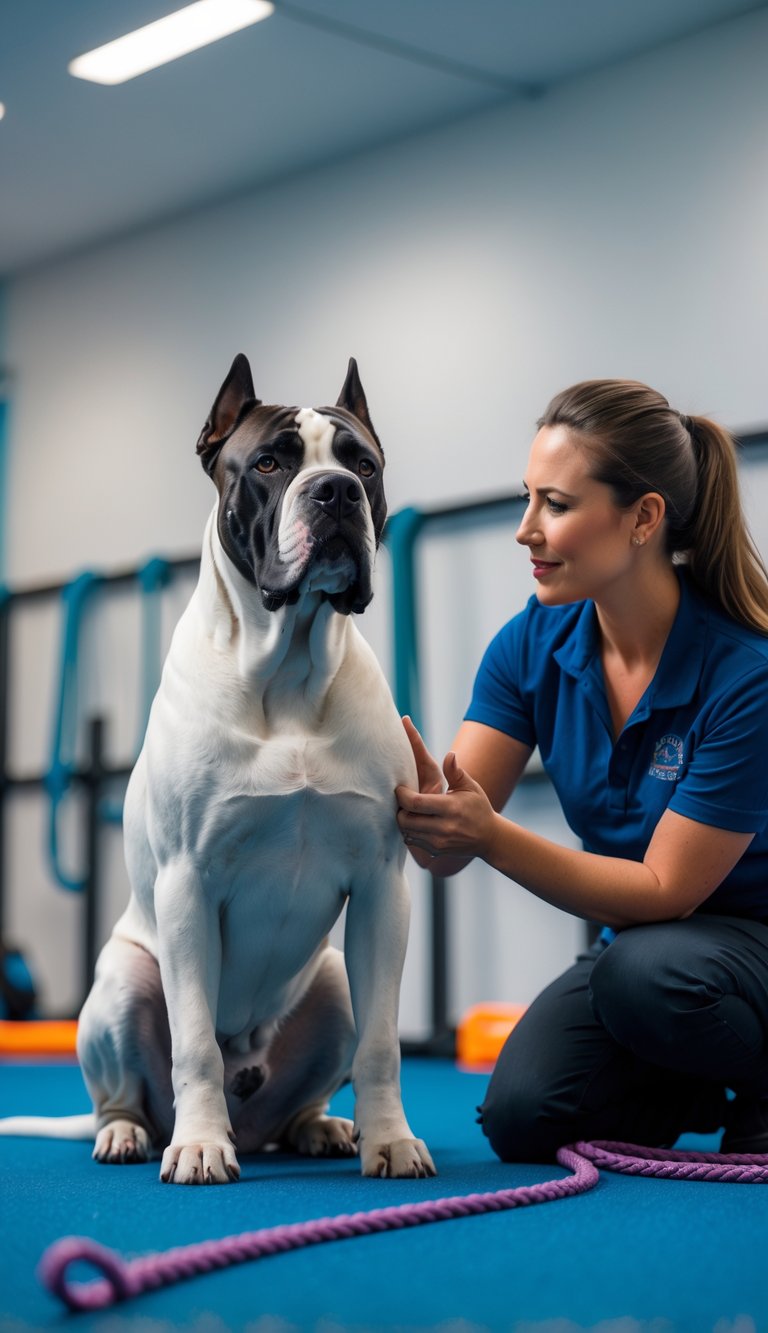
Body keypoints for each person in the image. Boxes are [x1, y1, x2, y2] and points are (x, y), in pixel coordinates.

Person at [395, 378, 768, 1163]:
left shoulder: (746, 671)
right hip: (648, 953)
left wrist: (488, 836)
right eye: (528, 498)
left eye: (555, 505)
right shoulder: (530, 644)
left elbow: (668, 891)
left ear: (643, 518)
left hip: (734, 942)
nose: (526, 529)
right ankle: (698, 1079)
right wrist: (420, 808)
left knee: (643, 975)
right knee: (525, 1117)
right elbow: (448, 842)